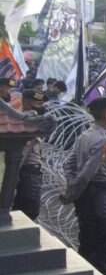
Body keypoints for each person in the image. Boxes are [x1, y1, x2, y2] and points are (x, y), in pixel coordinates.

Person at [60, 97, 106, 275]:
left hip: (86, 196)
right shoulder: (103, 141)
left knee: (86, 240)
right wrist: (72, 194)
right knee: (102, 240)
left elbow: (68, 165)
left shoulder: (84, 135)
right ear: (104, 114)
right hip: (98, 195)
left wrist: (72, 189)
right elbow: (86, 174)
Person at [12, 89, 48, 220]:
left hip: (29, 174)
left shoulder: (32, 121)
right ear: (27, 104)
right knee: (28, 213)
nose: (41, 108)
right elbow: (21, 154)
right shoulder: (27, 122)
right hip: (28, 175)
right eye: (37, 104)